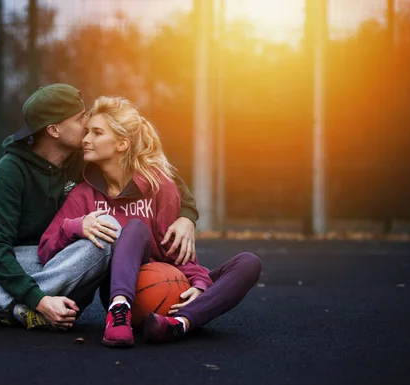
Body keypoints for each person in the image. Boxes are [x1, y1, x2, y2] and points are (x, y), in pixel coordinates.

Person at [0, 84, 200, 331]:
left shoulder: (85, 157)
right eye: (80, 119)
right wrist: (38, 299)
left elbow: (154, 172)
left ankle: (1, 306)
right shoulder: (10, 171)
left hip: (64, 264)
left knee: (106, 235)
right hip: (15, 262)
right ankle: (20, 311)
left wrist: (187, 215)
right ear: (54, 130)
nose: (87, 125)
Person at [38, 96, 262, 346]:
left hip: (169, 291)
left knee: (249, 263)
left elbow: (176, 253)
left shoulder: (160, 186)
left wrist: (200, 283)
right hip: (125, 293)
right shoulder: (83, 194)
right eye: (87, 131)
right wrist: (76, 226)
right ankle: (118, 312)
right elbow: (46, 250)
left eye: (97, 133)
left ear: (122, 144)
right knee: (133, 228)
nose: (86, 139)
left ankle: (180, 324)